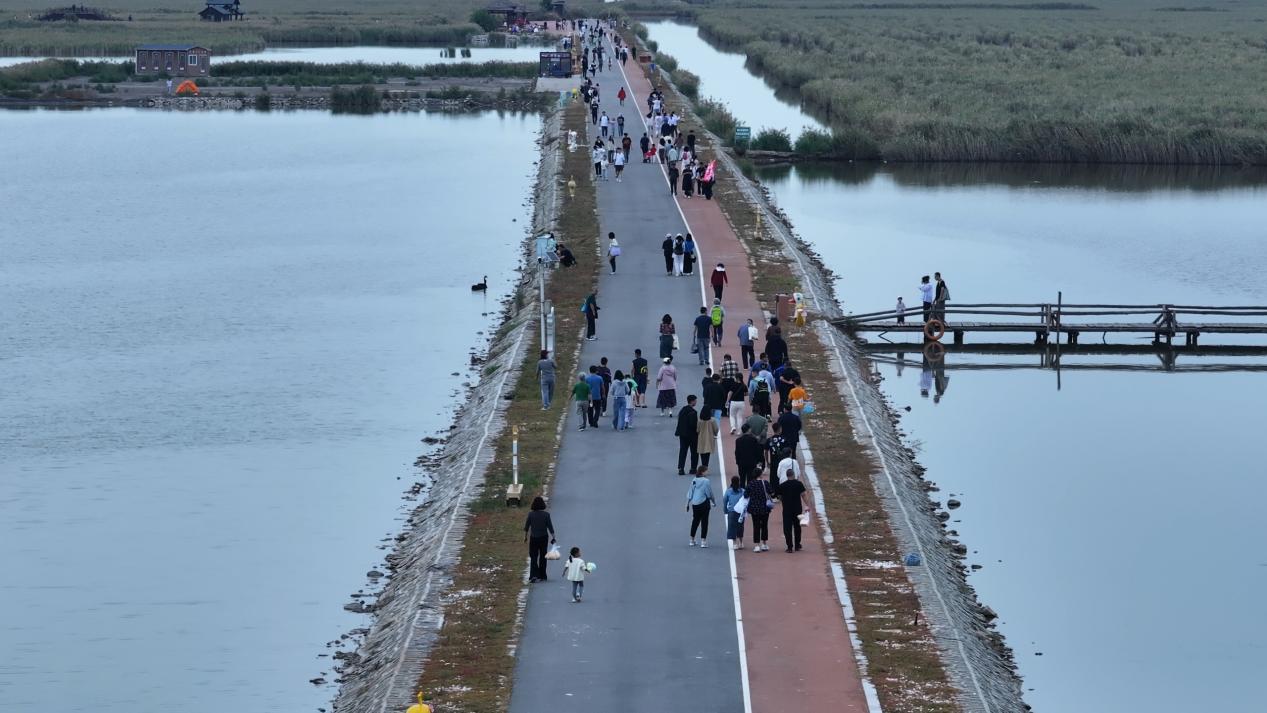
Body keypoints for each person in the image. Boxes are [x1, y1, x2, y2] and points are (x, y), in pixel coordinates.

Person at [778, 468, 812, 552]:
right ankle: (797, 545)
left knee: (787, 528)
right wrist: (808, 505)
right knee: (797, 527)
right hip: (797, 508)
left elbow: (779, 497)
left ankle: (789, 547)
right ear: (793, 475)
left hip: (787, 509)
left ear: (786, 475)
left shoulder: (782, 485)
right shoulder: (799, 484)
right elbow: (803, 495)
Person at [523, 496, 556, 582]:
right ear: (542, 504)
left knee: (533, 557)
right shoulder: (546, 515)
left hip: (534, 538)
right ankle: (542, 575)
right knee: (543, 556)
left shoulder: (531, 514)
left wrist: (525, 537)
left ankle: (534, 575)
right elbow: (550, 527)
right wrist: (553, 537)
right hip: (544, 538)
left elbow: (527, 527)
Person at [744, 465, 773, 552]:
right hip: (764, 508)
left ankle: (757, 545)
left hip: (754, 508)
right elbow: (771, 492)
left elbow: (746, 495)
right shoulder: (765, 483)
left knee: (756, 526)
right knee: (764, 525)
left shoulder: (751, 484)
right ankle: (764, 544)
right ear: (760, 474)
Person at [686, 465, 715, 547]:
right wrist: (713, 502)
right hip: (704, 504)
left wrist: (687, 503)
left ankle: (691, 540)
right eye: (706, 471)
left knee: (695, 521)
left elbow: (690, 492)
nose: (707, 472)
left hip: (695, 504)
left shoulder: (694, 480)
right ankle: (703, 541)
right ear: (702, 472)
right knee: (704, 522)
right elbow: (709, 493)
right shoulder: (706, 481)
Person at [675, 395, 699, 474]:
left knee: (683, 451)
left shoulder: (683, 410)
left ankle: (681, 468)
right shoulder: (693, 412)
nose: (696, 402)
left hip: (682, 434)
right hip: (692, 435)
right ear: (692, 401)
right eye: (695, 401)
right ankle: (693, 468)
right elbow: (693, 424)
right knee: (694, 452)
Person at [723, 475, 746, 551]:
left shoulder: (728, 491)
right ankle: (741, 542)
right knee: (740, 526)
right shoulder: (742, 491)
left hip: (731, 511)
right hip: (740, 511)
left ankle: (734, 543)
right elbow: (745, 501)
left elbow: (725, 500)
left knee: (732, 527)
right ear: (739, 482)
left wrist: (725, 510)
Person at [698, 390, 720, 468]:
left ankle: (703, 465)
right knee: (707, 453)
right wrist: (715, 434)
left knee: (702, 452)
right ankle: (705, 466)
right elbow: (716, 429)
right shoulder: (712, 420)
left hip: (701, 438)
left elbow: (697, 430)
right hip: (709, 438)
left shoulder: (700, 420)